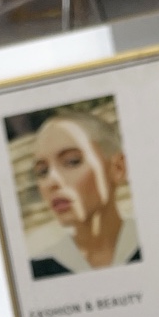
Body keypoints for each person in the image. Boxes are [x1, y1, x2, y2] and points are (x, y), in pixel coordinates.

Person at [25, 109, 140, 276]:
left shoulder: (157, 242)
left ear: (118, 168)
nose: (51, 182)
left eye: (72, 161)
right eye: (42, 172)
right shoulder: (36, 271)